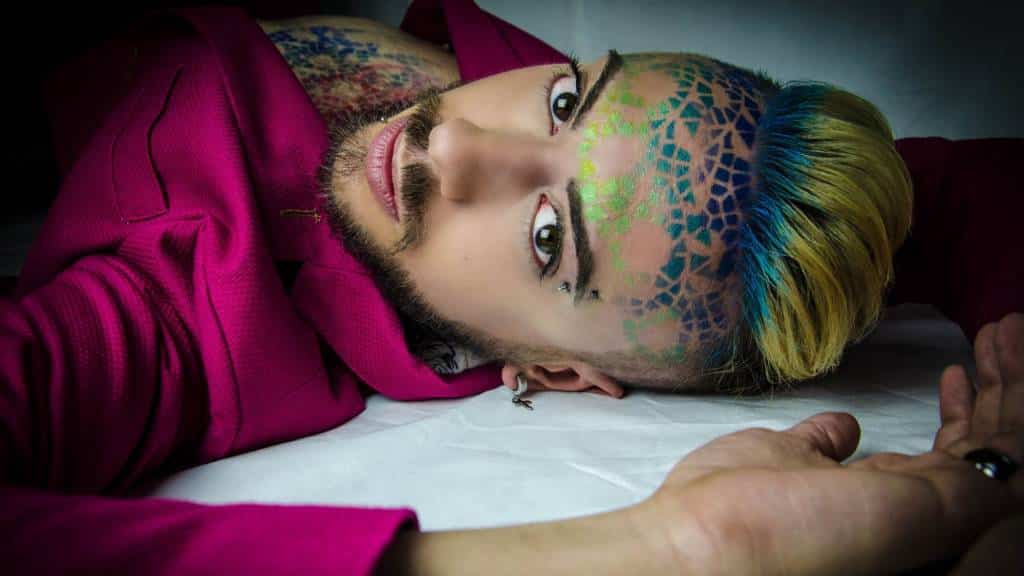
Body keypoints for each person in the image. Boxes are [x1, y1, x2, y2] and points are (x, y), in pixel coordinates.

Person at [2, 1, 1021, 574]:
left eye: (546, 238)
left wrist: (675, 545)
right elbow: (961, 187)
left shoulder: (180, 312)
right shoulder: (672, 165)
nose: (454, 144)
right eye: (568, 100)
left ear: (556, 371)